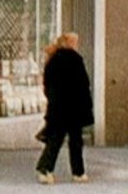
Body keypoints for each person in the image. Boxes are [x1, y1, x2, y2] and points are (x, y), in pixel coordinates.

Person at [36, 32, 94, 184]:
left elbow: (47, 85)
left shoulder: (53, 60)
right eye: (75, 42)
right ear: (70, 43)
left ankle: (45, 169)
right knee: (75, 141)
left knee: (55, 140)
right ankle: (78, 172)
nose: (77, 44)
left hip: (58, 108)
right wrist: (86, 106)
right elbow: (83, 85)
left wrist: (53, 100)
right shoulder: (75, 60)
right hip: (74, 108)